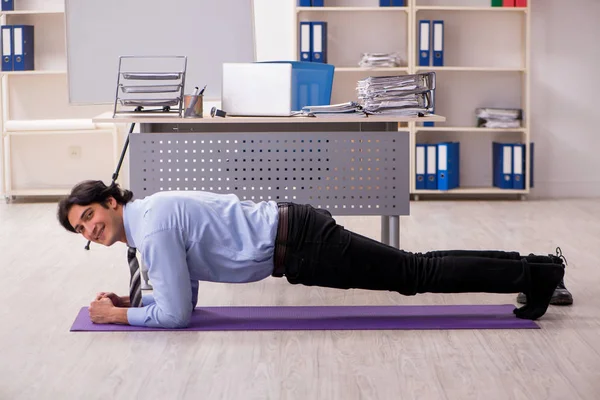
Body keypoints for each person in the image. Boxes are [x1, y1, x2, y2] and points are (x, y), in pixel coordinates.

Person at [57, 180, 566, 329]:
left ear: (109, 201)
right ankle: (538, 269)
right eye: (81, 230)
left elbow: (175, 315)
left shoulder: (154, 226)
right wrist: (133, 303)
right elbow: (182, 286)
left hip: (300, 243)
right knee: (416, 265)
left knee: (414, 272)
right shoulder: (151, 218)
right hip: (294, 235)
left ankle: (534, 273)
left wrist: (122, 319)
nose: (90, 230)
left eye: (88, 216)